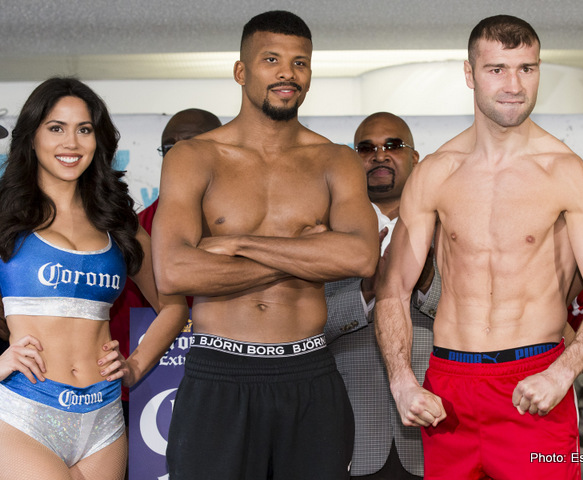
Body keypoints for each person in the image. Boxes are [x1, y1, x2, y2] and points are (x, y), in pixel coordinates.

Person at [375, 15, 583, 479]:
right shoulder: (436, 172)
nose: (514, 84)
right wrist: (401, 382)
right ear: (470, 74)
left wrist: (564, 372)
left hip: (535, 384)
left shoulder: (567, 173)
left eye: (526, 69)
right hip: (449, 389)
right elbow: (392, 289)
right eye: (497, 69)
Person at [152, 11, 378, 480]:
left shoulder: (336, 160)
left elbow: (359, 256)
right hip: (219, 374)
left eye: (300, 63)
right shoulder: (193, 157)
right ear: (241, 71)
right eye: (271, 59)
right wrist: (306, 254)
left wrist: (234, 243)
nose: (286, 73)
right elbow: (174, 271)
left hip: (310, 373)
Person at [0, 77, 188, 479]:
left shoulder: (118, 223)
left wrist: (136, 367)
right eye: (56, 128)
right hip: (24, 410)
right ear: (31, 137)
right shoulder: (5, 217)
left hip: (103, 419)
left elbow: (173, 305)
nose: (71, 142)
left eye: (83, 129)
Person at [325, 112, 440, 479]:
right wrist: (366, 291)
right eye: (366, 148)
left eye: (393, 145)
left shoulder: (450, 226)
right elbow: (306, 326)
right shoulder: (326, 230)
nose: (379, 155)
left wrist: (424, 285)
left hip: (436, 427)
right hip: (350, 432)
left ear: (415, 158)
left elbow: (478, 317)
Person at [108, 108, 221, 423]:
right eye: (169, 148)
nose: (178, 155)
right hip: (146, 387)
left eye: (191, 144)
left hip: (231, 380)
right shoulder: (136, 228)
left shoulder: (252, 223)